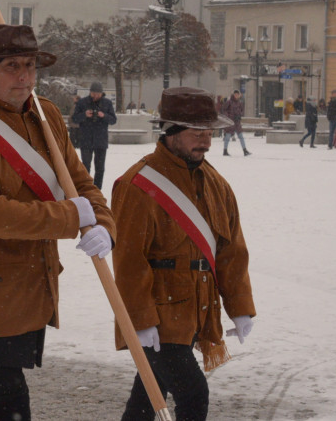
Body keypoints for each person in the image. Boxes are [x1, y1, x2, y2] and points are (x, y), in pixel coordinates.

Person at [0, 24, 115, 420]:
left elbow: (79, 181)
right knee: (6, 404)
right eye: (11, 67)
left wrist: (102, 222)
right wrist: (71, 217)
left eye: (30, 66)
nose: (24, 77)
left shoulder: (45, 115)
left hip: (27, 282)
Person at [112, 87, 256, 421]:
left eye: (209, 133)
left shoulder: (216, 183)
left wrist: (240, 307)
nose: (206, 142)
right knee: (193, 393)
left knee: (147, 396)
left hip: (198, 309)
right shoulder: (138, 184)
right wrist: (140, 319)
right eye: (196, 133)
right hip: (159, 315)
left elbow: (232, 250)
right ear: (171, 132)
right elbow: (129, 260)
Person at [71, 81, 118, 189]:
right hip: (86, 140)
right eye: (93, 93)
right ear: (90, 92)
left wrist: (104, 115)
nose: (95, 96)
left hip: (101, 141)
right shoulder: (82, 102)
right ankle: (86, 188)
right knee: (85, 167)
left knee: (100, 168)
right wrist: (84, 115)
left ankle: (97, 189)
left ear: (102, 93)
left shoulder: (107, 103)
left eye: (98, 94)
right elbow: (74, 118)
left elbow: (113, 120)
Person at [220, 89, 251, 156]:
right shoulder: (229, 102)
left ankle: (245, 150)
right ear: (233, 94)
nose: (236, 95)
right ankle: (225, 151)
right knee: (227, 137)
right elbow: (224, 110)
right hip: (230, 122)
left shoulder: (240, 102)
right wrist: (228, 117)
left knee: (241, 136)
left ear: (239, 95)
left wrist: (239, 116)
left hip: (237, 122)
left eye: (237, 94)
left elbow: (242, 111)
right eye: (235, 94)